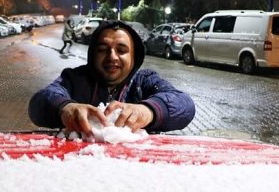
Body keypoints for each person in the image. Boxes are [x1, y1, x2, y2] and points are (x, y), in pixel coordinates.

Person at [28, 20, 195, 136]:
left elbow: (185, 105)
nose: (112, 57)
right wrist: (65, 108)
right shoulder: (74, 78)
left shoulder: (144, 81)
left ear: (134, 57)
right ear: (92, 54)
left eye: (121, 50)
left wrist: (148, 111)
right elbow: (38, 103)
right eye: (102, 49)